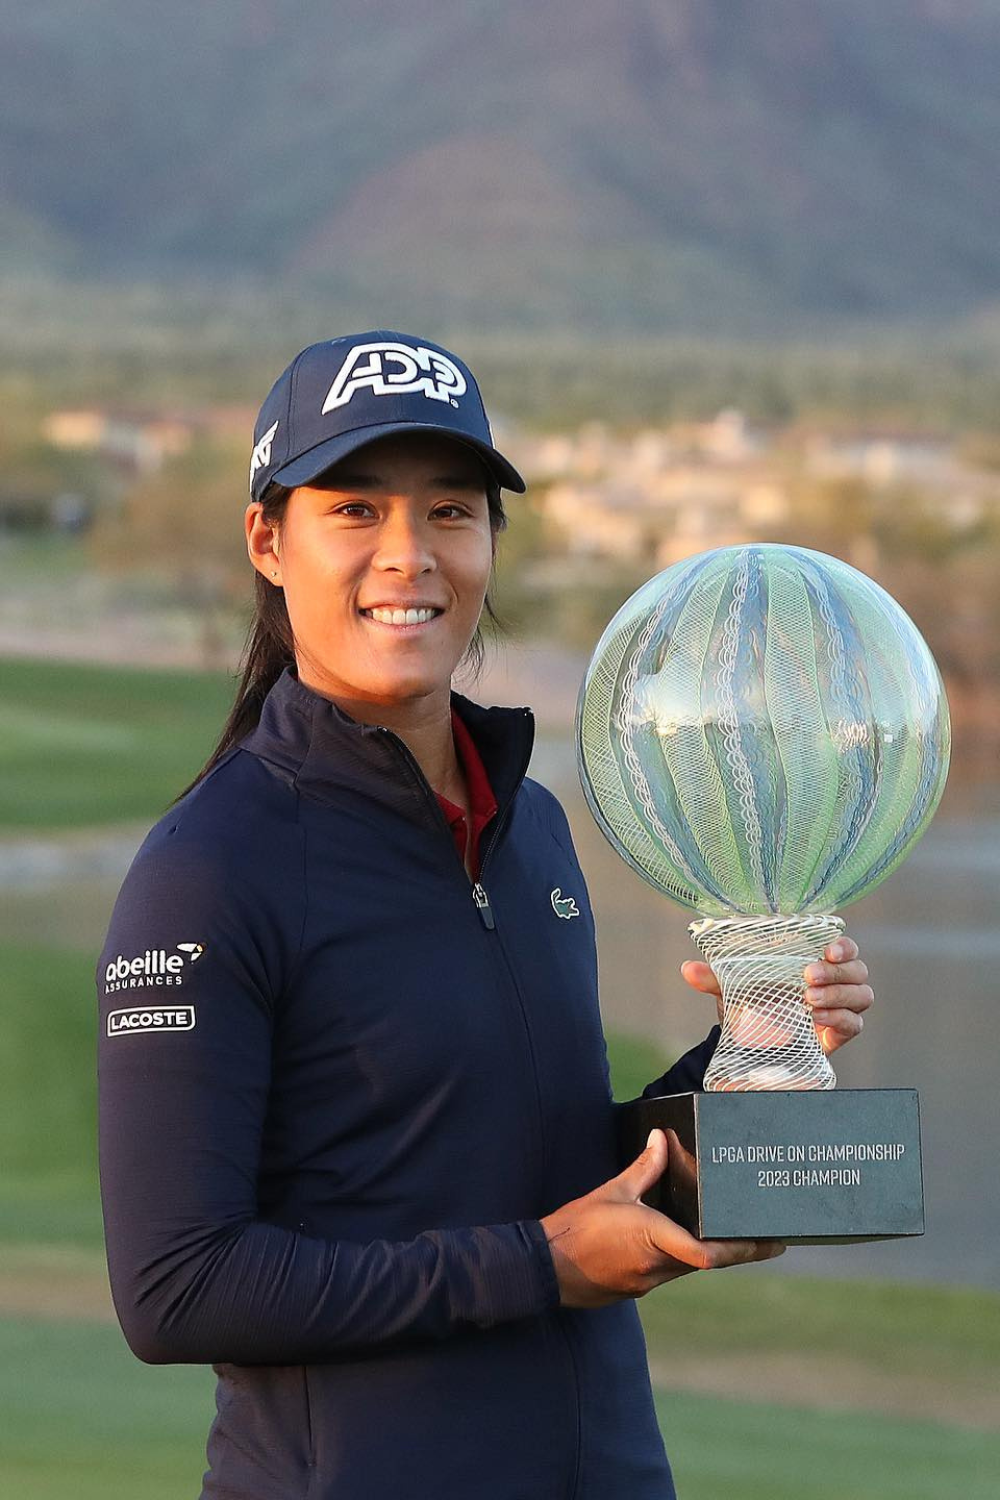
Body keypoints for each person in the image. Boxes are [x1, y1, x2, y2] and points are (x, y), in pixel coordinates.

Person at [96, 331, 873, 1500]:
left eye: (450, 514)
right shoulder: (211, 866)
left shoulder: (536, 827)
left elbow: (525, 1167)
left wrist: (750, 1066)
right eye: (354, 512)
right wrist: (544, 1265)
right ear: (268, 540)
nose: (408, 557)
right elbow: (176, 1288)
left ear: (489, 543)